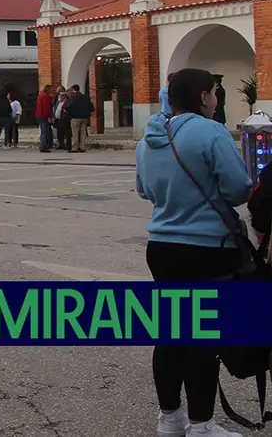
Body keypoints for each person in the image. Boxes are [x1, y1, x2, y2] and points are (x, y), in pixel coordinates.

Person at [136, 68, 251, 437]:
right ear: (203, 97)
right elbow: (237, 190)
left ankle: (170, 418)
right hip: (206, 248)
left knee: (170, 332)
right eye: (215, 92)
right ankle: (201, 424)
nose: (216, 99)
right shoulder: (210, 130)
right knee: (202, 336)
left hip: (161, 246)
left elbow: (144, 190)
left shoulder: (148, 138)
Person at [67, 84, 94, 153]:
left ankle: (75, 148)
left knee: (75, 133)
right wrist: (88, 113)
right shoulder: (85, 97)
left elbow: (69, 106)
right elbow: (91, 106)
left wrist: (69, 114)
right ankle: (82, 147)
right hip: (84, 117)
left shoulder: (73, 98)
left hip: (75, 118)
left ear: (73, 90)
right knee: (83, 133)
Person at [34, 85, 55, 153]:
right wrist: (50, 116)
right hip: (43, 116)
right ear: (48, 89)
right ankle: (43, 146)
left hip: (39, 115)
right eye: (51, 89)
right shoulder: (45, 96)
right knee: (45, 131)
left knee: (44, 131)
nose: (52, 90)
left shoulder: (41, 95)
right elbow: (46, 108)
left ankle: (43, 145)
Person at [53, 87, 72, 151]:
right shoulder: (58, 102)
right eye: (60, 95)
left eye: (62, 95)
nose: (60, 97)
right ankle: (61, 145)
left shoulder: (67, 101)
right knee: (59, 133)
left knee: (67, 133)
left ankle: (68, 145)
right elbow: (55, 109)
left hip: (64, 119)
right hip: (58, 119)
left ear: (65, 96)